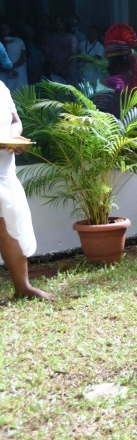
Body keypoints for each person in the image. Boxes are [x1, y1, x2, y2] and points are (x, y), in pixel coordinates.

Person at [0, 81, 52, 301]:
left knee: (8, 226)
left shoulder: (1, 86)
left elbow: (15, 121)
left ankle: (23, 287)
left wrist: (13, 139)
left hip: (4, 169)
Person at [102, 23, 137, 116]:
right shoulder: (132, 78)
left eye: (109, 60)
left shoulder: (113, 82)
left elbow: (101, 111)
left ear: (114, 62)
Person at [46, 15, 79, 85]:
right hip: (55, 68)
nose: (58, 23)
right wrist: (54, 65)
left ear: (65, 23)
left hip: (69, 69)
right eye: (56, 21)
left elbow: (73, 53)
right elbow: (47, 52)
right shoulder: (51, 37)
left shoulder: (72, 37)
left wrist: (61, 66)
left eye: (60, 21)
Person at [0, 22, 27, 95]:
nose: (3, 30)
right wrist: (8, 69)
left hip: (19, 72)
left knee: (19, 95)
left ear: (11, 29)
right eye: (2, 28)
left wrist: (12, 68)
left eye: (5, 28)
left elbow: (23, 58)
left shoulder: (19, 41)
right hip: (3, 74)